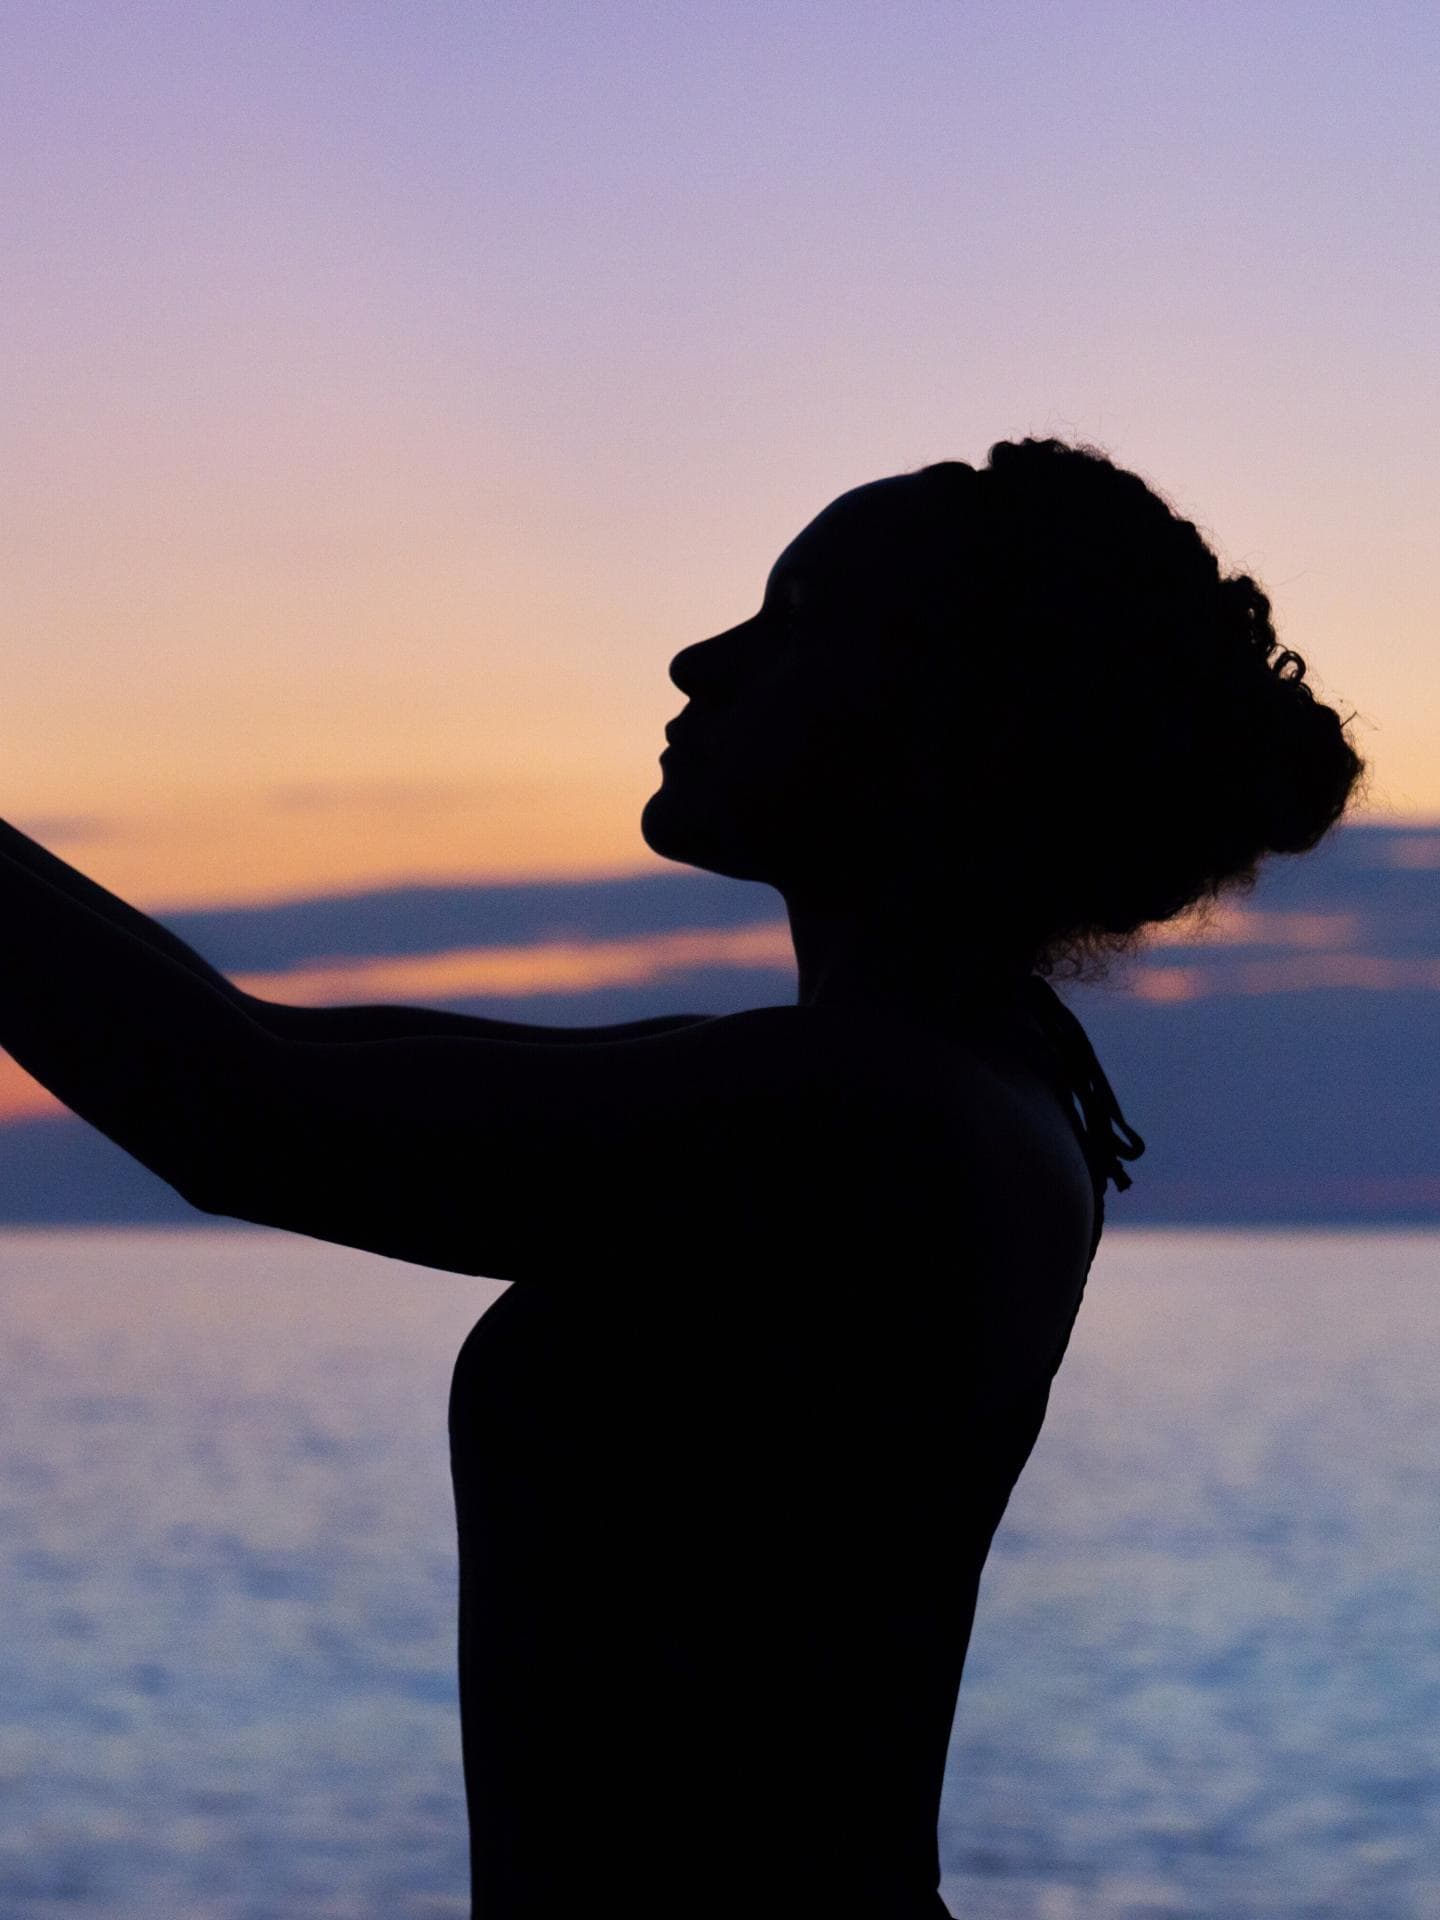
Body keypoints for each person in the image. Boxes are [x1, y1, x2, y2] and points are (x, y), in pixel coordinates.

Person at [0, 436, 1367, 1917]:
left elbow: (238, 1118)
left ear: (941, 716)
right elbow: (257, 1053)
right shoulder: (934, 1077)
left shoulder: (857, 1115)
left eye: (792, 621)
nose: (698, 660)